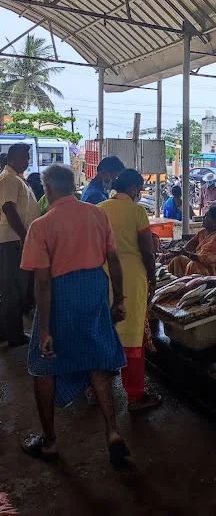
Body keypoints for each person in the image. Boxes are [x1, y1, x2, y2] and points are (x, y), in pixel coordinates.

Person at [20, 164, 129, 463]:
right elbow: (114, 260)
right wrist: (119, 299)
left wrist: (43, 329)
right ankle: (113, 432)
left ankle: (50, 441)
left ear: (48, 189)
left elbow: (42, 281)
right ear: (71, 186)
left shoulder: (41, 226)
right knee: (96, 360)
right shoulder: (97, 214)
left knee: (43, 365)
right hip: (94, 289)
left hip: (60, 296)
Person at [98, 169, 160, 412]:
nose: (140, 193)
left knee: (105, 331)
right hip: (132, 279)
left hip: (104, 276)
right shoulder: (137, 211)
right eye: (140, 188)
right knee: (133, 336)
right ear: (133, 188)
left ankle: (95, 388)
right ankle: (135, 396)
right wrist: (153, 278)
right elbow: (147, 251)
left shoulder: (100, 208)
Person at [0, 143, 40, 347]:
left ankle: (7, 331)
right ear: (13, 158)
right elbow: (8, 208)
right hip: (11, 240)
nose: (27, 161)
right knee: (13, 288)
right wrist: (24, 236)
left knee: (14, 287)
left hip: (14, 239)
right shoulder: (8, 179)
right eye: (25, 157)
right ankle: (14, 336)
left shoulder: (16, 178)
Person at [168, 206, 216, 279]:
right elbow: (188, 247)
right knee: (177, 260)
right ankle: (175, 284)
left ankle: (187, 287)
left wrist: (186, 253)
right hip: (203, 265)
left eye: (206, 217)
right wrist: (168, 255)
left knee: (193, 265)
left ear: (214, 221)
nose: (203, 218)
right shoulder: (202, 233)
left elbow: (208, 260)